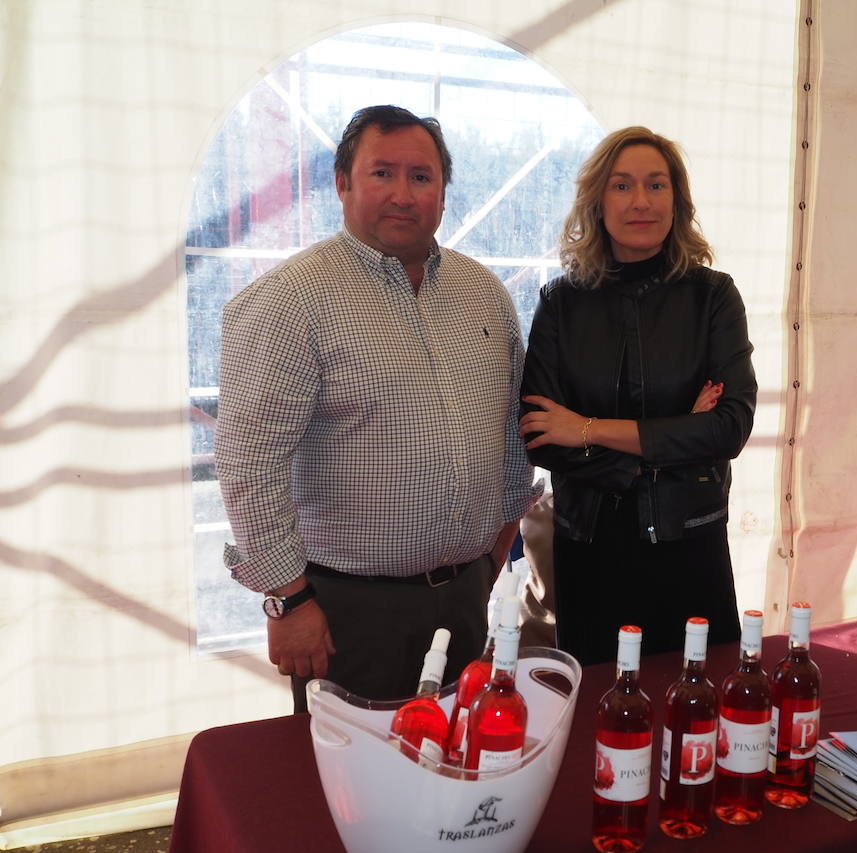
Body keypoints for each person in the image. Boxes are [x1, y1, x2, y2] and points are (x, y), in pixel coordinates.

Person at [215, 105, 534, 712]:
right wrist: (289, 600)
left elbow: (510, 431)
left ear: (443, 190)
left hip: (468, 593)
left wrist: (501, 534)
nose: (403, 195)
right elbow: (249, 463)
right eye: (381, 173)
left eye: (421, 177)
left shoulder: (484, 293)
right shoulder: (292, 299)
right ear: (342, 183)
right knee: (355, 794)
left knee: (459, 764)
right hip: (345, 610)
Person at [519, 126, 757, 666]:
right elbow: (540, 437)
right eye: (622, 186)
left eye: (657, 185)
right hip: (591, 550)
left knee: (697, 703)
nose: (642, 201)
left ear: (678, 200)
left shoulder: (713, 297)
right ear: (597, 201)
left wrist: (587, 427)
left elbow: (728, 428)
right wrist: (671, 442)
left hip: (691, 546)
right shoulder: (561, 302)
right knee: (599, 716)